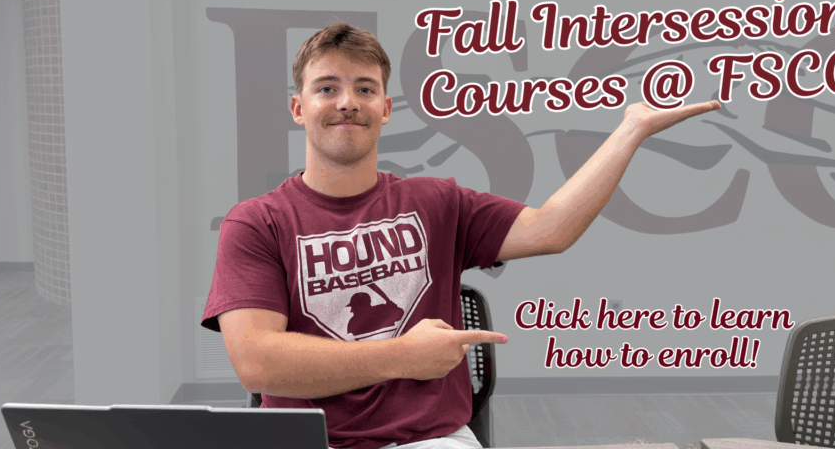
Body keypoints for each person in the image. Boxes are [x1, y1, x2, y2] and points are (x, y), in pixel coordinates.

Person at [201, 23, 720, 449]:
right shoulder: (257, 222)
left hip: (431, 440)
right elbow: (258, 364)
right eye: (326, 88)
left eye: (365, 88)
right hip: (311, 443)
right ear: (298, 108)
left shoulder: (436, 201)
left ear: (384, 109)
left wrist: (631, 131)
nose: (347, 102)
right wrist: (403, 356)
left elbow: (552, 228)